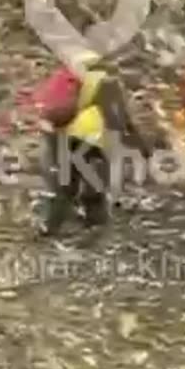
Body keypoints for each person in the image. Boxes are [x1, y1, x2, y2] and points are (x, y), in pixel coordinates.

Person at [42, 50, 153, 236]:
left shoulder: (79, 81)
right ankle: (96, 226)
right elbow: (120, 118)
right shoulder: (107, 83)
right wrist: (141, 145)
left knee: (67, 186)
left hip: (67, 134)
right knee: (96, 183)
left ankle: (50, 228)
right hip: (91, 138)